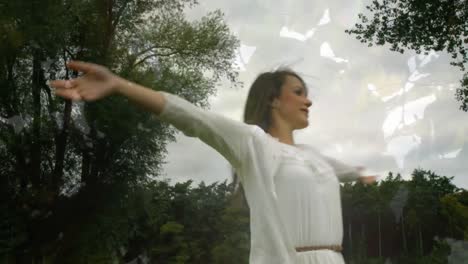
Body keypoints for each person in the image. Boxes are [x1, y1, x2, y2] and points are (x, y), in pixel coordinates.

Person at [50, 61, 376, 264]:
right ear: (274, 100)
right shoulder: (254, 143)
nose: (308, 100)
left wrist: (362, 175)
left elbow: (343, 169)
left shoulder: (314, 158)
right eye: (298, 92)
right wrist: (120, 84)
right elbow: (193, 117)